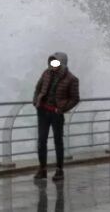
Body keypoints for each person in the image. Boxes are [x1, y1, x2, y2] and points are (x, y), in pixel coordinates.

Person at [32, 52, 80, 181]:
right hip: (42, 111)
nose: (53, 64)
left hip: (56, 114)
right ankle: (42, 169)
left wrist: (62, 108)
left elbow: (75, 98)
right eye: (52, 61)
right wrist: (36, 101)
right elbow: (38, 88)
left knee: (58, 141)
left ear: (62, 63)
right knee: (41, 141)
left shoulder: (71, 79)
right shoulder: (46, 73)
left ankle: (59, 170)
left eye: (56, 62)